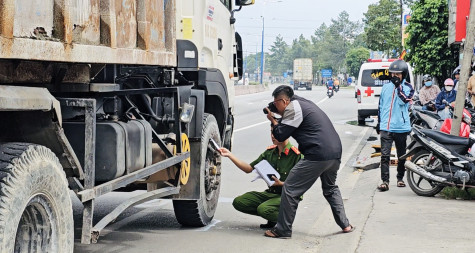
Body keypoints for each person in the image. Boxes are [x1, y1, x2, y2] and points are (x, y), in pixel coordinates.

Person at [263, 85, 354, 239]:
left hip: (317, 154)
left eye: (276, 103)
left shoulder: (293, 108)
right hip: (335, 152)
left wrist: (273, 120)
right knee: (330, 188)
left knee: (290, 189)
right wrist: (278, 117)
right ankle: (345, 225)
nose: (275, 106)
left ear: (284, 101)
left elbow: (280, 135)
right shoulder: (302, 103)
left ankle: (283, 230)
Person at [218, 126, 302, 229]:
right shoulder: (270, 153)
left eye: (275, 133)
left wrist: (281, 184)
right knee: (239, 202)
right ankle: (273, 217)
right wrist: (230, 155)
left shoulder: (296, 155)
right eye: (271, 132)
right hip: (271, 193)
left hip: (288, 196)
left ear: (287, 134)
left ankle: (286, 220)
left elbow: (302, 182)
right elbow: (248, 168)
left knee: (263, 209)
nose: (272, 136)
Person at [376, 59, 414, 192]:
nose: (395, 76)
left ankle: (400, 178)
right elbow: (381, 106)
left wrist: (398, 86)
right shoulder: (386, 87)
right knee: (384, 156)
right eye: (393, 74)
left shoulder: (408, 87)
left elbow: (404, 100)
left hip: (400, 127)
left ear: (403, 74)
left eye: (398, 74)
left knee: (401, 155)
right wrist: (379, 123)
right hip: (386, 127)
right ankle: (385, 181)